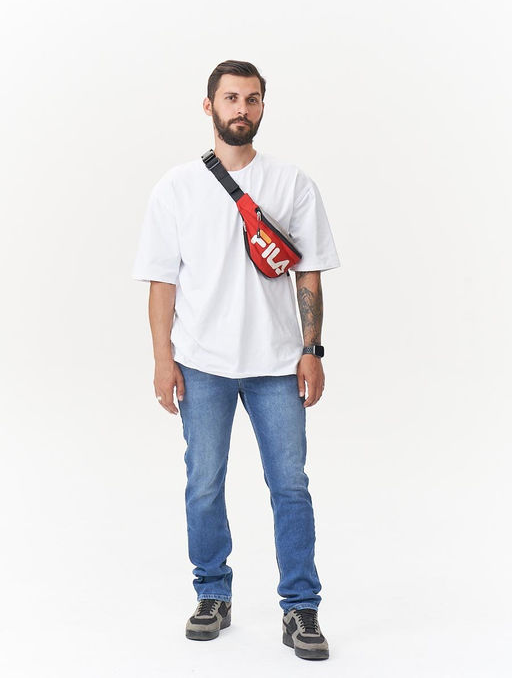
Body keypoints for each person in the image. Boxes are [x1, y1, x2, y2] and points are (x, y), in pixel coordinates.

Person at [132, 59, 341, 661]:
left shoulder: (292, 182)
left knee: (290, 486)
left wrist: (311, 351)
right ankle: (212, 595)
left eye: (251, 99)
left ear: (262, 107)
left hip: (277, 364)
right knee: (204, 484)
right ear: (209, 106)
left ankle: (300, 606)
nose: (241, 109)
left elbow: (309, 272)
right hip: (202, 364)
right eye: (230, 98)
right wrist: (163, 360)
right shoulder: (176, 187)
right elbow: (162, 282)